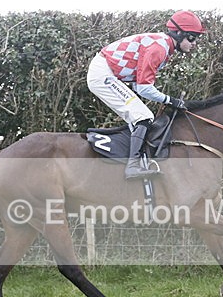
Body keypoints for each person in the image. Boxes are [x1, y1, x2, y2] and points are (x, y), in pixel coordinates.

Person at [87, 10, 205, 179]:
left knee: (139, 116)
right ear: (178, 33)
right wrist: (170, 100)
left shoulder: (164, 46)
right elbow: (143, 88)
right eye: (192, 37)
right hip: (103, 75)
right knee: (143, 116)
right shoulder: (159, 48)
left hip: (108, 72)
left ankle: (137, 161)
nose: (194, 43)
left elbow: (137, 84)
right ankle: (133, 166)